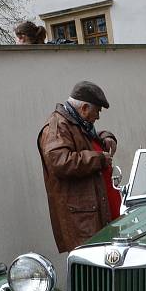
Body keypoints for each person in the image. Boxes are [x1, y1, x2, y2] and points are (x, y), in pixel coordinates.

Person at [37, 81, 120, 253]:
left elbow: (87, 140)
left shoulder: (76, 121)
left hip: (90, 215)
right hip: (81, 221)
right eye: (97, 110)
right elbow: (60, 161)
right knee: (91, 272)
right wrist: (98, 159)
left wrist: (105, 136)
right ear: (83, 108)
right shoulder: (57, 126)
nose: (98, 116)